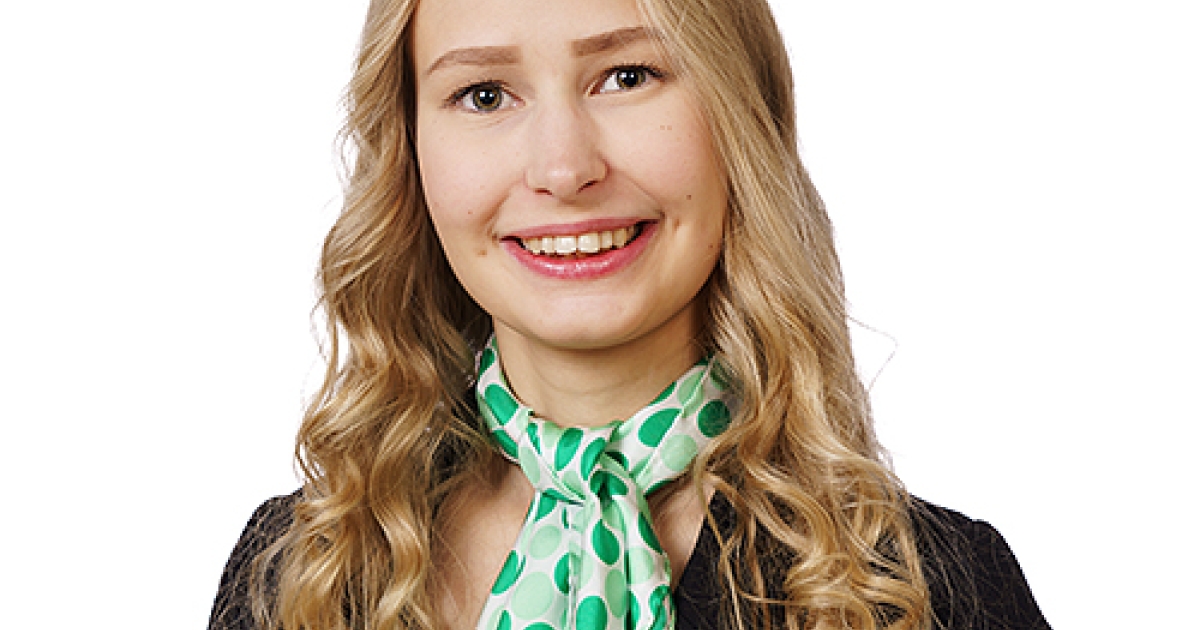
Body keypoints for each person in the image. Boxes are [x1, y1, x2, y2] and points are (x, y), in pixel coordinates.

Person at [209, 0, 1050, 628]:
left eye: (627, 76)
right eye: (485, 94)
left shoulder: (935, 590)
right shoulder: (298, 578)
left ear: (738, 115)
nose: (563, 168)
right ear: (410, 150)